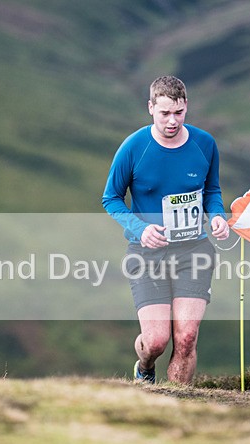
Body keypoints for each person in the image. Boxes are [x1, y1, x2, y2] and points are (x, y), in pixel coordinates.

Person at [102, 75, 230, 385]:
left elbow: (211, 190)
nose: (172, 121)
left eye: (178, 112)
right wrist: (140, 229)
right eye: (164, 113)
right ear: (150, 108)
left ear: (186, 107)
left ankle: (178, 405)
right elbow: (111, 198)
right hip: (147, 253)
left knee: (186, 338)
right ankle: (144, 367)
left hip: (194, 250)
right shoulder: (134, 147)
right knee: (157, 341)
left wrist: (216, 216)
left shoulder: (204, 144)